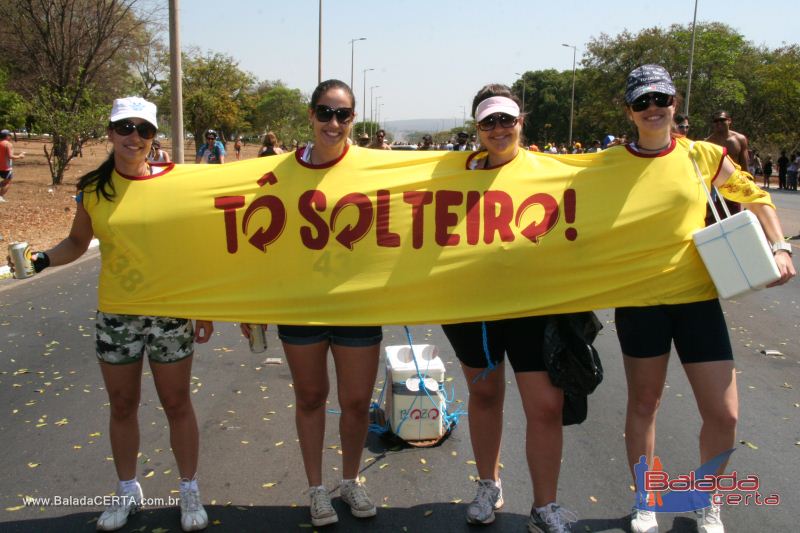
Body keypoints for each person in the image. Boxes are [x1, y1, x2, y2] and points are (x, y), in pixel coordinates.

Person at [9, 97, 214, 532]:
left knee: (177, 403)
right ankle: (127, 490)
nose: (134, 137)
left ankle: (189, 488)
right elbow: (77, 243)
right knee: (123, 405)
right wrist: (43, 259)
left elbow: (194, 250)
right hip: (117, 316)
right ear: (110, 133)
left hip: (170, 313)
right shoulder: (92, 190)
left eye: (143, 129)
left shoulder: (175, 184)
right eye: (125, 128)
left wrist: (203, 307)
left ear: (153, 136)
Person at [618, 65, 795, 533]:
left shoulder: (704, 156)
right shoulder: (608, 165)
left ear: (675, 102)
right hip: (641, 303)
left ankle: (706, 499)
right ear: (629, 111)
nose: (653, 108)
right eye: (642, 102)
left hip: (697, 300)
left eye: (660, 98)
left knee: (724, 412)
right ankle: (645, 500)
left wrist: (780, 247)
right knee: (643, 405)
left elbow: (756, 197)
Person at [242, 79, 380, 528]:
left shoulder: (376, 168)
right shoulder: (279, 172)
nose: (333, 123)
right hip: (299, 305)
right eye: (325, 112)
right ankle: (317, 489)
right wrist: (252, 302)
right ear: (310, 115)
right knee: (311, 398)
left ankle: (351, 480)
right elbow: (253, 236)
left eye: (342, 114)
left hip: (357, 305)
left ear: (353, 119)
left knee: (357, 402)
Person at [441, 84, 576, 533]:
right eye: (488, 122)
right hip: (470, 306)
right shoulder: (450, 171)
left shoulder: (553, 170)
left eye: (506, 120)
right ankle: (488, 484)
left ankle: (545, 505)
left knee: (545, 406)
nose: (498, 129)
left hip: (533, 307)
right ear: (476, 127)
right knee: (484, 395)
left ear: (521, 122)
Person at [0, 128, 25, 202]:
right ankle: (0, 196)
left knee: (5, 181)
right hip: (6, 167)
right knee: (8, 181)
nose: (10, 137)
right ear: (7, 136)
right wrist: (20, 156)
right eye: (9, 135)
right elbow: (10, 156)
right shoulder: (8, 144)